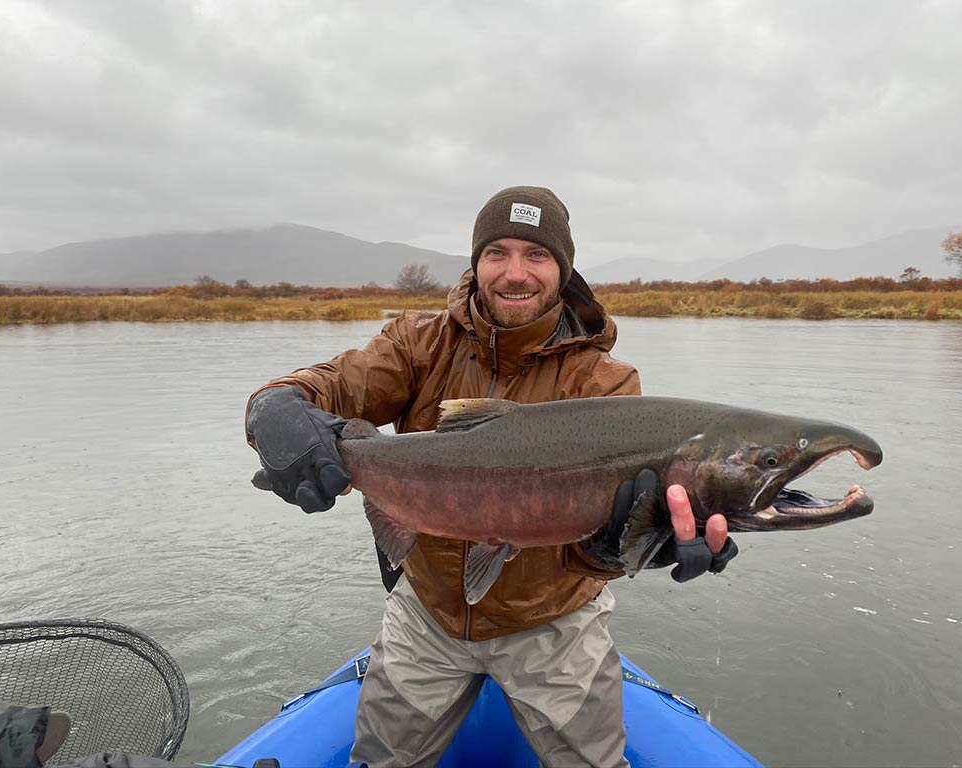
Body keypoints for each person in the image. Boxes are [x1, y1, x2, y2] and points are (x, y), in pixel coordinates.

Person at [245, 186, 738, 768]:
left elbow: (596, 540)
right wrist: (275, 409)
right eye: (497, 252)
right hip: (426, 612)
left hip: (554, 622)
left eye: (536, 255)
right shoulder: (416, 344)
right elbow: (327, 385)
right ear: (476, 263)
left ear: (563, 269)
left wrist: (621, 549)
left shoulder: (605, 383)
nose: (515, 273)